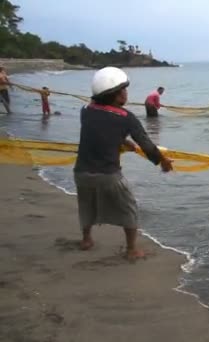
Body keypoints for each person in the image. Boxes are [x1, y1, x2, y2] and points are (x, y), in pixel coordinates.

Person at [74, 67, 173, 260]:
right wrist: (163, 161)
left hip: (81, 172)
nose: (127, 93)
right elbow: (147, 145)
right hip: (108, 175)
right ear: (118, 95)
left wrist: (122, 140)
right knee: (129, 208)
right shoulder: (127, 118)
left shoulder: (85, 110)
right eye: (124, 90)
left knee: (86, 205)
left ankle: (86, 240)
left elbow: (100, 129)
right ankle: (131, 250)